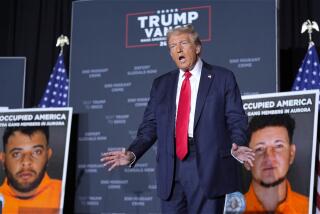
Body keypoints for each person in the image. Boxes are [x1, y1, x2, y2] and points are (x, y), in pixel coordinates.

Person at [101, 25, 255, 213]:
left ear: (197, 47)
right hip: (171, 167)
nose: (178, 49)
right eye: (172, 46)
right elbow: (150, 126)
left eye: (183, 43)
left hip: (209, 166)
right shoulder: (161, 84)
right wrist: (133, 153)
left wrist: (237, 144)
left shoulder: (222, 78)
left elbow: (236, 118)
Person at [244, 114, 309, 213]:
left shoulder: (310, 208)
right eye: (259, 149)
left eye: (278, 146)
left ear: (291, 154)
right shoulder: (227, 209)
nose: (269, 157)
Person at [0, 126, 61, 213]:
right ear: (3, 159)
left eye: (37, 152)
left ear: (48, 155)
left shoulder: (65, 192)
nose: (26, 162)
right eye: (16, 154)